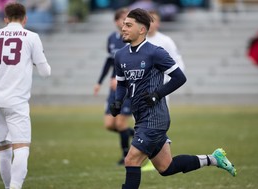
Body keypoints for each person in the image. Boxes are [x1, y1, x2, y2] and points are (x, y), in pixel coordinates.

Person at [109, 8, 236, 189]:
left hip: (155, 118)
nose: (124, 28)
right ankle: (214, 159)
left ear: (142, 30)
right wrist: (118, 101)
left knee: (131, 160)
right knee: (166, 167)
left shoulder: (155, 52)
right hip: (140, 118)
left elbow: (180, 77)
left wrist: (157, 94)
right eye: (123, 25)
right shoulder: (120, 54)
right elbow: (121, 84)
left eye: (129, 25)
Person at [0, 2, 51, 189]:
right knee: (21, 148)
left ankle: (9, 187)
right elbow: (45, 72)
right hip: (16, 101)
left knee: (4, 148)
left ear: (5, 19)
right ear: (25, 19)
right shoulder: (31, 37)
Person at [141, 9, 185, 172]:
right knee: (144, 123)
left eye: (154, 20)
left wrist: (164, 87)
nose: (151, 24)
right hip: (141, 93)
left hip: (160, 92)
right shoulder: (139, 41)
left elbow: (179, 65)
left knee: (153, 123)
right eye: (149, 20)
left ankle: (144, 157)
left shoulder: (165, 41)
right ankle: (158, 156)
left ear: (158, 23)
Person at [93, 7, 134, 165]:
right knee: (109, 124)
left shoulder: (132, 38)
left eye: (128, 19)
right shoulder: (112, 38)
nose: (125, 22)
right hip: (113, 88)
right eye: (123, 19)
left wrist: (121, 79)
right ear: (116, 21)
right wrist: (99, 82)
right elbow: (110, 60)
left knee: (120, 123)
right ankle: (137, 135)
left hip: (127, 87)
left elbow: (135, 62)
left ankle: (126, 156)